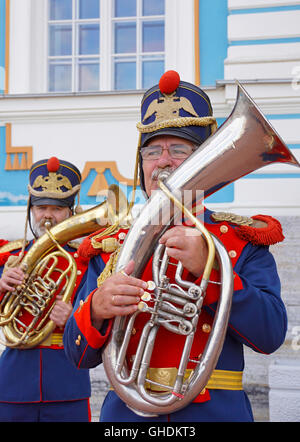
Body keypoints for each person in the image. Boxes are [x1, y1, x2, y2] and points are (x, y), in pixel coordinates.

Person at [63, 71, 287, 422]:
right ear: (141, 164)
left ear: (208, 161)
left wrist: (211, 272)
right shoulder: (110, 245)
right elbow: (76, 357)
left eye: (179, 150)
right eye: (152, 151)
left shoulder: (238, 240)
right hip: (126, 416)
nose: (163, 161)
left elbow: (271, 334)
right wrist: (96, 309)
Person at [0, 157, 91, 422]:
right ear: (31, 209)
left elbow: (102, 323)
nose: (48, 215)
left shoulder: (85, 260)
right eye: (41, 207)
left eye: (57, 208)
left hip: (68, 385)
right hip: (13, 384)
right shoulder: (9, 258)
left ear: (71, 213)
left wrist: (74, 318)